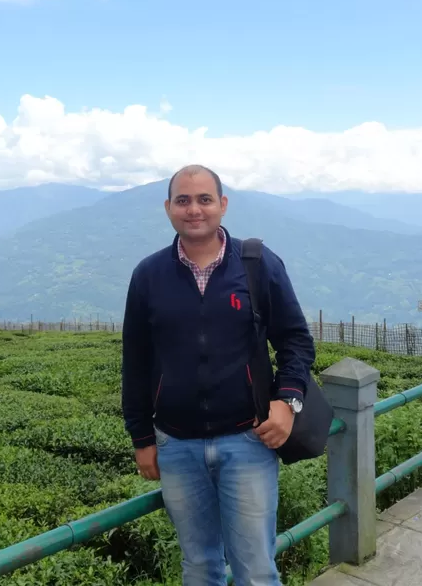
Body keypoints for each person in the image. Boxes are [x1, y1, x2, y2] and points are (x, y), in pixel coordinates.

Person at [121, 164, 316, 586]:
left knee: (257, 570)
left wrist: (288, 401)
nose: (195, 209)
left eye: (205, 199)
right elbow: (134, 363)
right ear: (169, 208)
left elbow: (296, 340)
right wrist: (141, 439)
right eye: (184, 200)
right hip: (176, 446)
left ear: (223, 205)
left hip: (247, 441)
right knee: (199, 568)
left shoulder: (258, 265)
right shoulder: (148, 276)